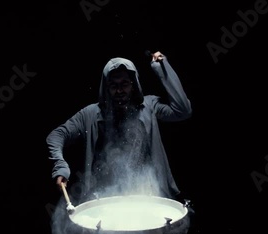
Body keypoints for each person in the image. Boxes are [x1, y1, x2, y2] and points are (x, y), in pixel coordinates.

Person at [46, 51, 192, 204]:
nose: (119, 90)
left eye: (124, 84)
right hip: (105, 200)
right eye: (113, 85)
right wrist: (60, 164)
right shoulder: (90, 114)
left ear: (133, 84)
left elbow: (183, 111)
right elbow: (57, 135)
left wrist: (162, 68)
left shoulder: (149, 106)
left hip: (150, 195)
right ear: (106, 87)